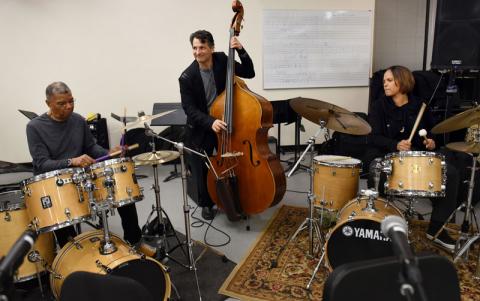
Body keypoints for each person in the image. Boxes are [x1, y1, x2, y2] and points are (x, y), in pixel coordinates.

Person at [26, 81, 142, 247]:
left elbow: (91, 147)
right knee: (61, 218)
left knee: (123, 190)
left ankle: (135, 241)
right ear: (48, 103)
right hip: (56, 185)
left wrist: (109, 153)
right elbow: (42, 163)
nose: (68, 106)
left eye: (71, 101)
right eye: (62, 103)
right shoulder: (34, 127)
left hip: (83, 178)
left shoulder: (78, 120)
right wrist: (72, 161)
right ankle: (72, 253)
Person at [368, 65, 458, 250]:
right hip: (390, 157)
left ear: (402, 82)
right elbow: (373, 137)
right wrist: (395, 145)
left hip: (419, 158)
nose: (384, 84)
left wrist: (431, 142)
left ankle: (436, 229)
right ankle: (378, 224)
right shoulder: (379, 106)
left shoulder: (420, 106)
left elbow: (434, 133)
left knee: (452, 173)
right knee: (375, 169)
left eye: (389, 80)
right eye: (384, 81)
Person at [179, 30, 255, 220]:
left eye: (202, 47)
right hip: (202, 125)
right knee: (202, 165)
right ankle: (206, 203)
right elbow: (189, 109)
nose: (198, 52)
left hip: (226, 119)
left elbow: (250, 72)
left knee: (234, 158)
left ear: (211, 48)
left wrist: (242, 51)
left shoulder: (222, 60)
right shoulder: (186, 77)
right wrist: (210, 122)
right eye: (195, 48)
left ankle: (239, 194)